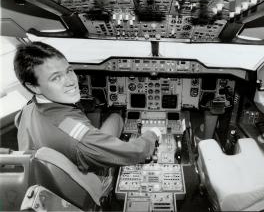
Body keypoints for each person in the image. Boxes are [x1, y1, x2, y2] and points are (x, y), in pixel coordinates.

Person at [14, 41, 161, 173]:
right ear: (34, 87)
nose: (71, 81)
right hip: (83, 186)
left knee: (114, 117)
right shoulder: (76, 135)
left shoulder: (25, 111)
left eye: (69, 70)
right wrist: (152, 134)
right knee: (116, 117)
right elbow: (134, 152)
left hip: (45, 177)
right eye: (56, 78)